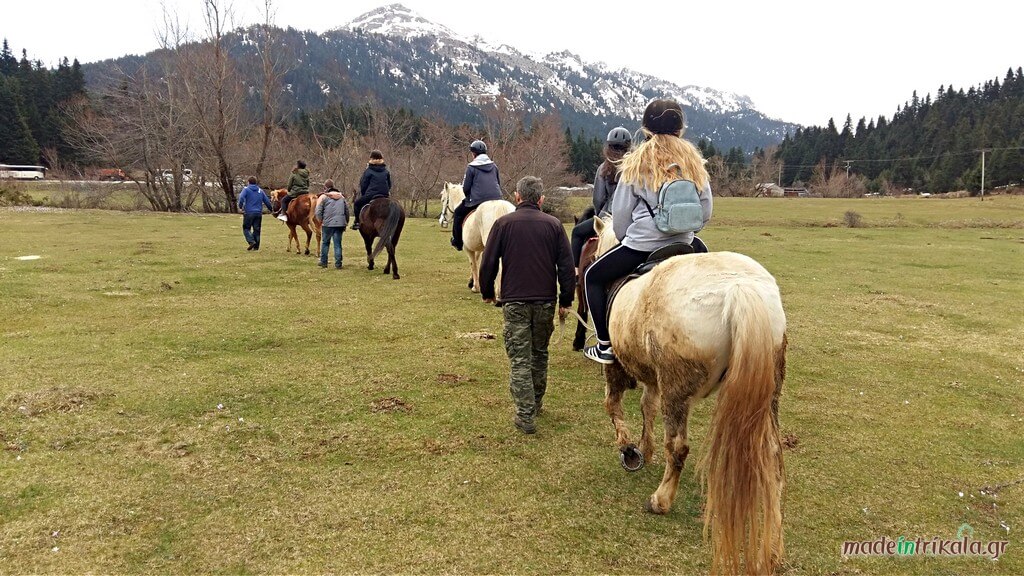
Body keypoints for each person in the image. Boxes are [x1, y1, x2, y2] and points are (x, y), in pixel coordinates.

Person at [583, 98, 713, 364]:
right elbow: (706, 210)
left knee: (592, 277)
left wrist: (631, 236)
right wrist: (683, 231)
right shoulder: (694, 162)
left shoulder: (637, 161)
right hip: (685, 244)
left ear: (646, 129)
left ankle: (605, 345)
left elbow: (620, 218)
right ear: (680, 129)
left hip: (641, 247)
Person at [479, 176, 575, 434]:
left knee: (520, 359)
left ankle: (525, 414)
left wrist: (487, 292)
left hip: (515, 301)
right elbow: (566, 267)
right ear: (541, 200)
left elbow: (487, 263)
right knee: (540, 354)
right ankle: (535, 404)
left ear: (517, 197)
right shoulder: (554, 225)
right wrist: (566, 299)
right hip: (545, 302)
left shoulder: (503, 224)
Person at [570, 126, 632, 269]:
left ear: (608, 146)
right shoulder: (635, 168)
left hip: (606, 218)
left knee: (577, 232)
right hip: (630, 220)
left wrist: (600, 216)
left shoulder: (603, 169)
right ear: (628, 147)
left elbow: (598, 200)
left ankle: (575, 271)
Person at [450, 139, 502, 251]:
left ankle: (457, 242)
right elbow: (498, 183)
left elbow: (466, 188)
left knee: (458, 212)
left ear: (473, 154)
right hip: (497, 198)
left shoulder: (471, 167)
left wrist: (469, 198)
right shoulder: (494, 166)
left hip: (478, 200)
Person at [352, 149, 392, 231]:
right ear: (381, 158)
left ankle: (356, 222)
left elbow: (363, 185)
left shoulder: (368, 171)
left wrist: (364, 194)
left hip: (371, 195)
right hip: (385, 195)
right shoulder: (386, 171)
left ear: (371, 158)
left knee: (356, 204)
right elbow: (389, 185)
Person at [315, 179, 349, 269]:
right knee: (337, 244)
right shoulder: (342, 197)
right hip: (340, 224)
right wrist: (346, 222)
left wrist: (320, 220)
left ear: (325, 187)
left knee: (325, 243)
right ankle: (338, 264)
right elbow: (347, 211)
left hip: (327, 224)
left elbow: (318, 211)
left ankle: (323, 262)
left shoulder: (323, 197)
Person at [237, 176, 274, 251]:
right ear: (256, 182)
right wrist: (271, 209)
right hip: (258, 213)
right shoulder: (260, 190)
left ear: (248, 182)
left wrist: (240, 206)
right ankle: (256, 247)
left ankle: (251, 241)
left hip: (249, 212)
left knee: (246, 228)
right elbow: (266, 201)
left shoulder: (246, 189)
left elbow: (241, 198)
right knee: (257, 230)